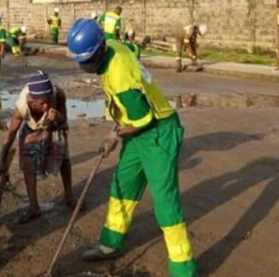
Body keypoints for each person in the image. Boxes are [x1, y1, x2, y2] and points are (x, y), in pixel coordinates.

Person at [67, 19, 197, 277]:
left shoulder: (119, 75)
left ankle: (184, 269)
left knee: (164, 201)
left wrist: (113, 135)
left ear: (101, 48)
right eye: (83, 61)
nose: (87, 66)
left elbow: (143, 119)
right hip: (139, 132)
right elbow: (135, 51)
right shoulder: (115, 45)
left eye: (90, 59)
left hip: (158, 131)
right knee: (122, 185)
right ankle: (109, 244)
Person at [0, 71, 75, 224]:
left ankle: (69, 195)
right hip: (31, 129)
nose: (46, 106)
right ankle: (34, 207)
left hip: (53, 125)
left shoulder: (58, 94)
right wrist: (1, 160)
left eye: (49, 101)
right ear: (32, 101)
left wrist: (57, 117)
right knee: (28, 164)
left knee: (63, 158)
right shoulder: (22, 108)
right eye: (42, 103)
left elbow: (64, 119)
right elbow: (11, 132)